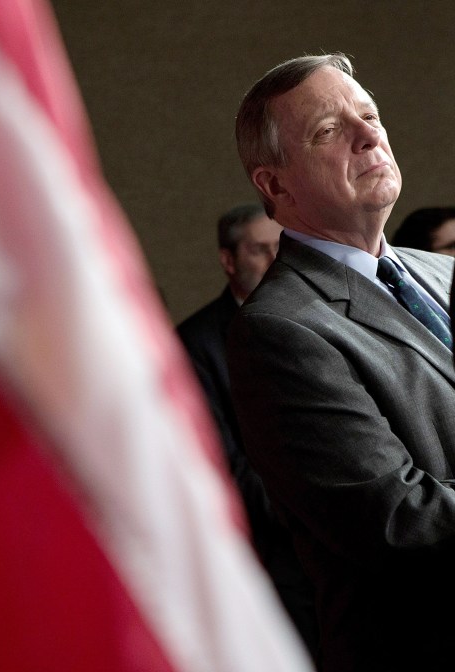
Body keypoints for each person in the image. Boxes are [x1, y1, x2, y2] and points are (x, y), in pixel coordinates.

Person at [228, 52, 455, 672]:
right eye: (330, 130)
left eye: (370, 115)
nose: (369, 134)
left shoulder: (445, 270)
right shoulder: (279, 330)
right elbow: (401, 525)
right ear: (275, 185)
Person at [176, 204, 319, 660]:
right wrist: (313, 508)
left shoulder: (316, 319)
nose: (277, 260)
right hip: (270, 553)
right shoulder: (194, 344)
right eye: (261, 250)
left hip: (337, 544)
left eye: (284, 247)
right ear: (228, 260)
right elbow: (220, 464)